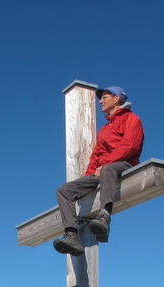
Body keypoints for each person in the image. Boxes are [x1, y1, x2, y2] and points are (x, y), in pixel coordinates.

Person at [53, 86, 144, 256]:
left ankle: (104, 217)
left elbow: (130, 145)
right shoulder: (105, 129)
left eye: (104, 97)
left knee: (108, 169)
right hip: (103, 170)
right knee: (64, 190)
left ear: (117, 98)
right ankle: (71, 235)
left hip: (124, 165)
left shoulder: (132, 119)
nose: (101, 101)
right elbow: (96, 155)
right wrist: (89, 176)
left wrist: (105, 164)